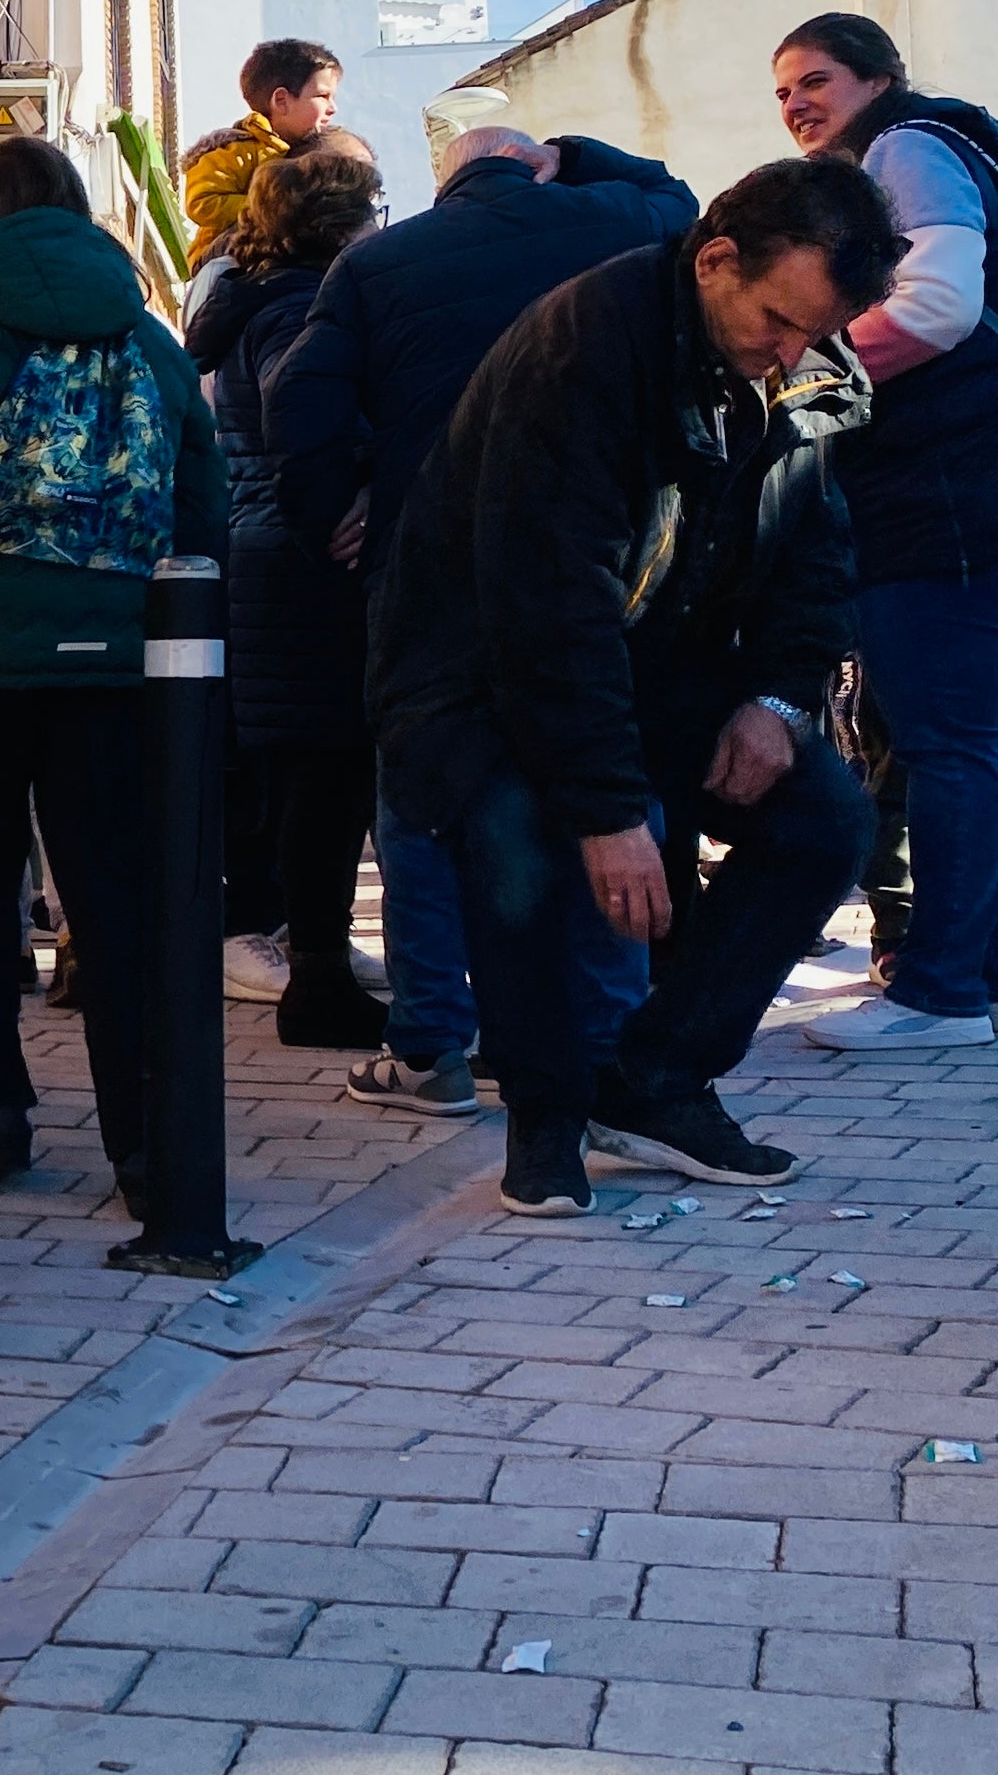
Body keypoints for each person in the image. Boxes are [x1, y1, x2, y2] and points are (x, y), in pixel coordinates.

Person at [371, 160, 894, 1215]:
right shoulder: (586, 349)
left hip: (661, 655)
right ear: (714, 261)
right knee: (525, 841)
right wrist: (612, 812)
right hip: (482, 667)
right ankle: (546, 1118)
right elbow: (548, 599)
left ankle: (655, 1081)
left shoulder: (803, 367)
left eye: (816, 331)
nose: (791, 351)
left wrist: (782, 702)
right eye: (777, 320)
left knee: (825, 822)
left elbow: (814, 549)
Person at [265, 121, 698, 1113]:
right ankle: (606, 1042)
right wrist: (586, 155)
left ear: (448, 183)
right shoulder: (625, 219)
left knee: (422, 795)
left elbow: (305, 406)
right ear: (533, 166)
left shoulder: (381, 259)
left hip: (429, 559)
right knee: (601, 771)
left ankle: (430, 1047)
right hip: (600, 547)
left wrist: (335, 520)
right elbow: (678, 194)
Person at [770, 14, 998, 1056]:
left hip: (943, 494)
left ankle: (940, 992)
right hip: (991, 486)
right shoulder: (938, 149)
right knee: (991, 742)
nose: (794, 105)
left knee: (952, 747)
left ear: (879, 77)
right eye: (781, 91)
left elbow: (935, 308)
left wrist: (796, 388)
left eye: (814, 79)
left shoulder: (904, 149)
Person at [0, 134, 226, 1192]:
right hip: (120, 658)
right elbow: (201, 507)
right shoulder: (152, 341)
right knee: (112, 888)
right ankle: (141, 1136)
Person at [201, 142, 392, 1049]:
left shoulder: (253, 302)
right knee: (328, 776)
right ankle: (317, 977)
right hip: (303, 571)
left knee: (314, 780)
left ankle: (319, 955)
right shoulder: (301, 311)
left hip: (267, 563)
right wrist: (342, 505)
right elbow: (297, 414)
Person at [180, 35, 342, 258]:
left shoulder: (305, 153)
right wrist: (268, 207)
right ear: (282, 101)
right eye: (323, 96)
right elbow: (201, 202)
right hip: (221, 255)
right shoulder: (236, 149)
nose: (333, 108)